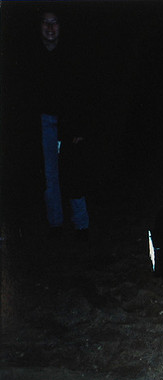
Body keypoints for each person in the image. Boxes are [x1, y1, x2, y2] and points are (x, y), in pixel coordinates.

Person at [35, 11, 91, 240]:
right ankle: (55, 225)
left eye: (54, 22)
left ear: (60, 26)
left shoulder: (71, 55)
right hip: (44, 123)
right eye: (46, 22)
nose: (50, 28)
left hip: (68, 124)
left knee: (73, 173)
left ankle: (82, 225)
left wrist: (78, 127)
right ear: (40, 26)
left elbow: (82, 93)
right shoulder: (31, 56)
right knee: (50, 176)